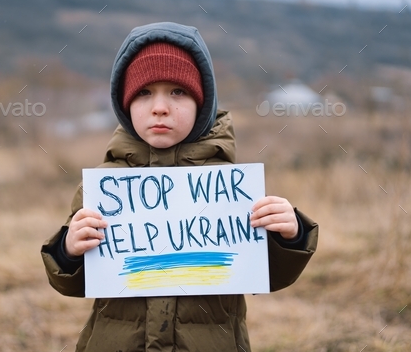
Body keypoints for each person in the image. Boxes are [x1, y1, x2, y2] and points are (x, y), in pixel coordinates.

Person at [41, 21, 318, 352]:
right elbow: (74, 282)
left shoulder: (232, 186)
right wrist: (68, 251)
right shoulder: (103, 189)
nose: (160, 106)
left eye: (178, 92)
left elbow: (268, 275)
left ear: (202, 103)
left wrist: (291, 236)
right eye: (144, 93)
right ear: (124, 103)